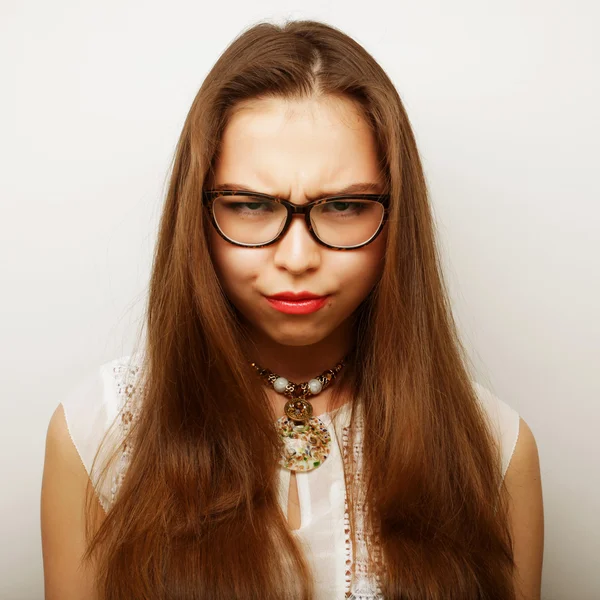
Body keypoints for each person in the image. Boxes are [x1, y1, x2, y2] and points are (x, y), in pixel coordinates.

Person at [40, 19, 544, 600]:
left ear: (397, 215)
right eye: (251, 204)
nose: (298, 256)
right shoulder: (98, 430)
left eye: (345, 205)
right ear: (197, 214)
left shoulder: (493, 447)